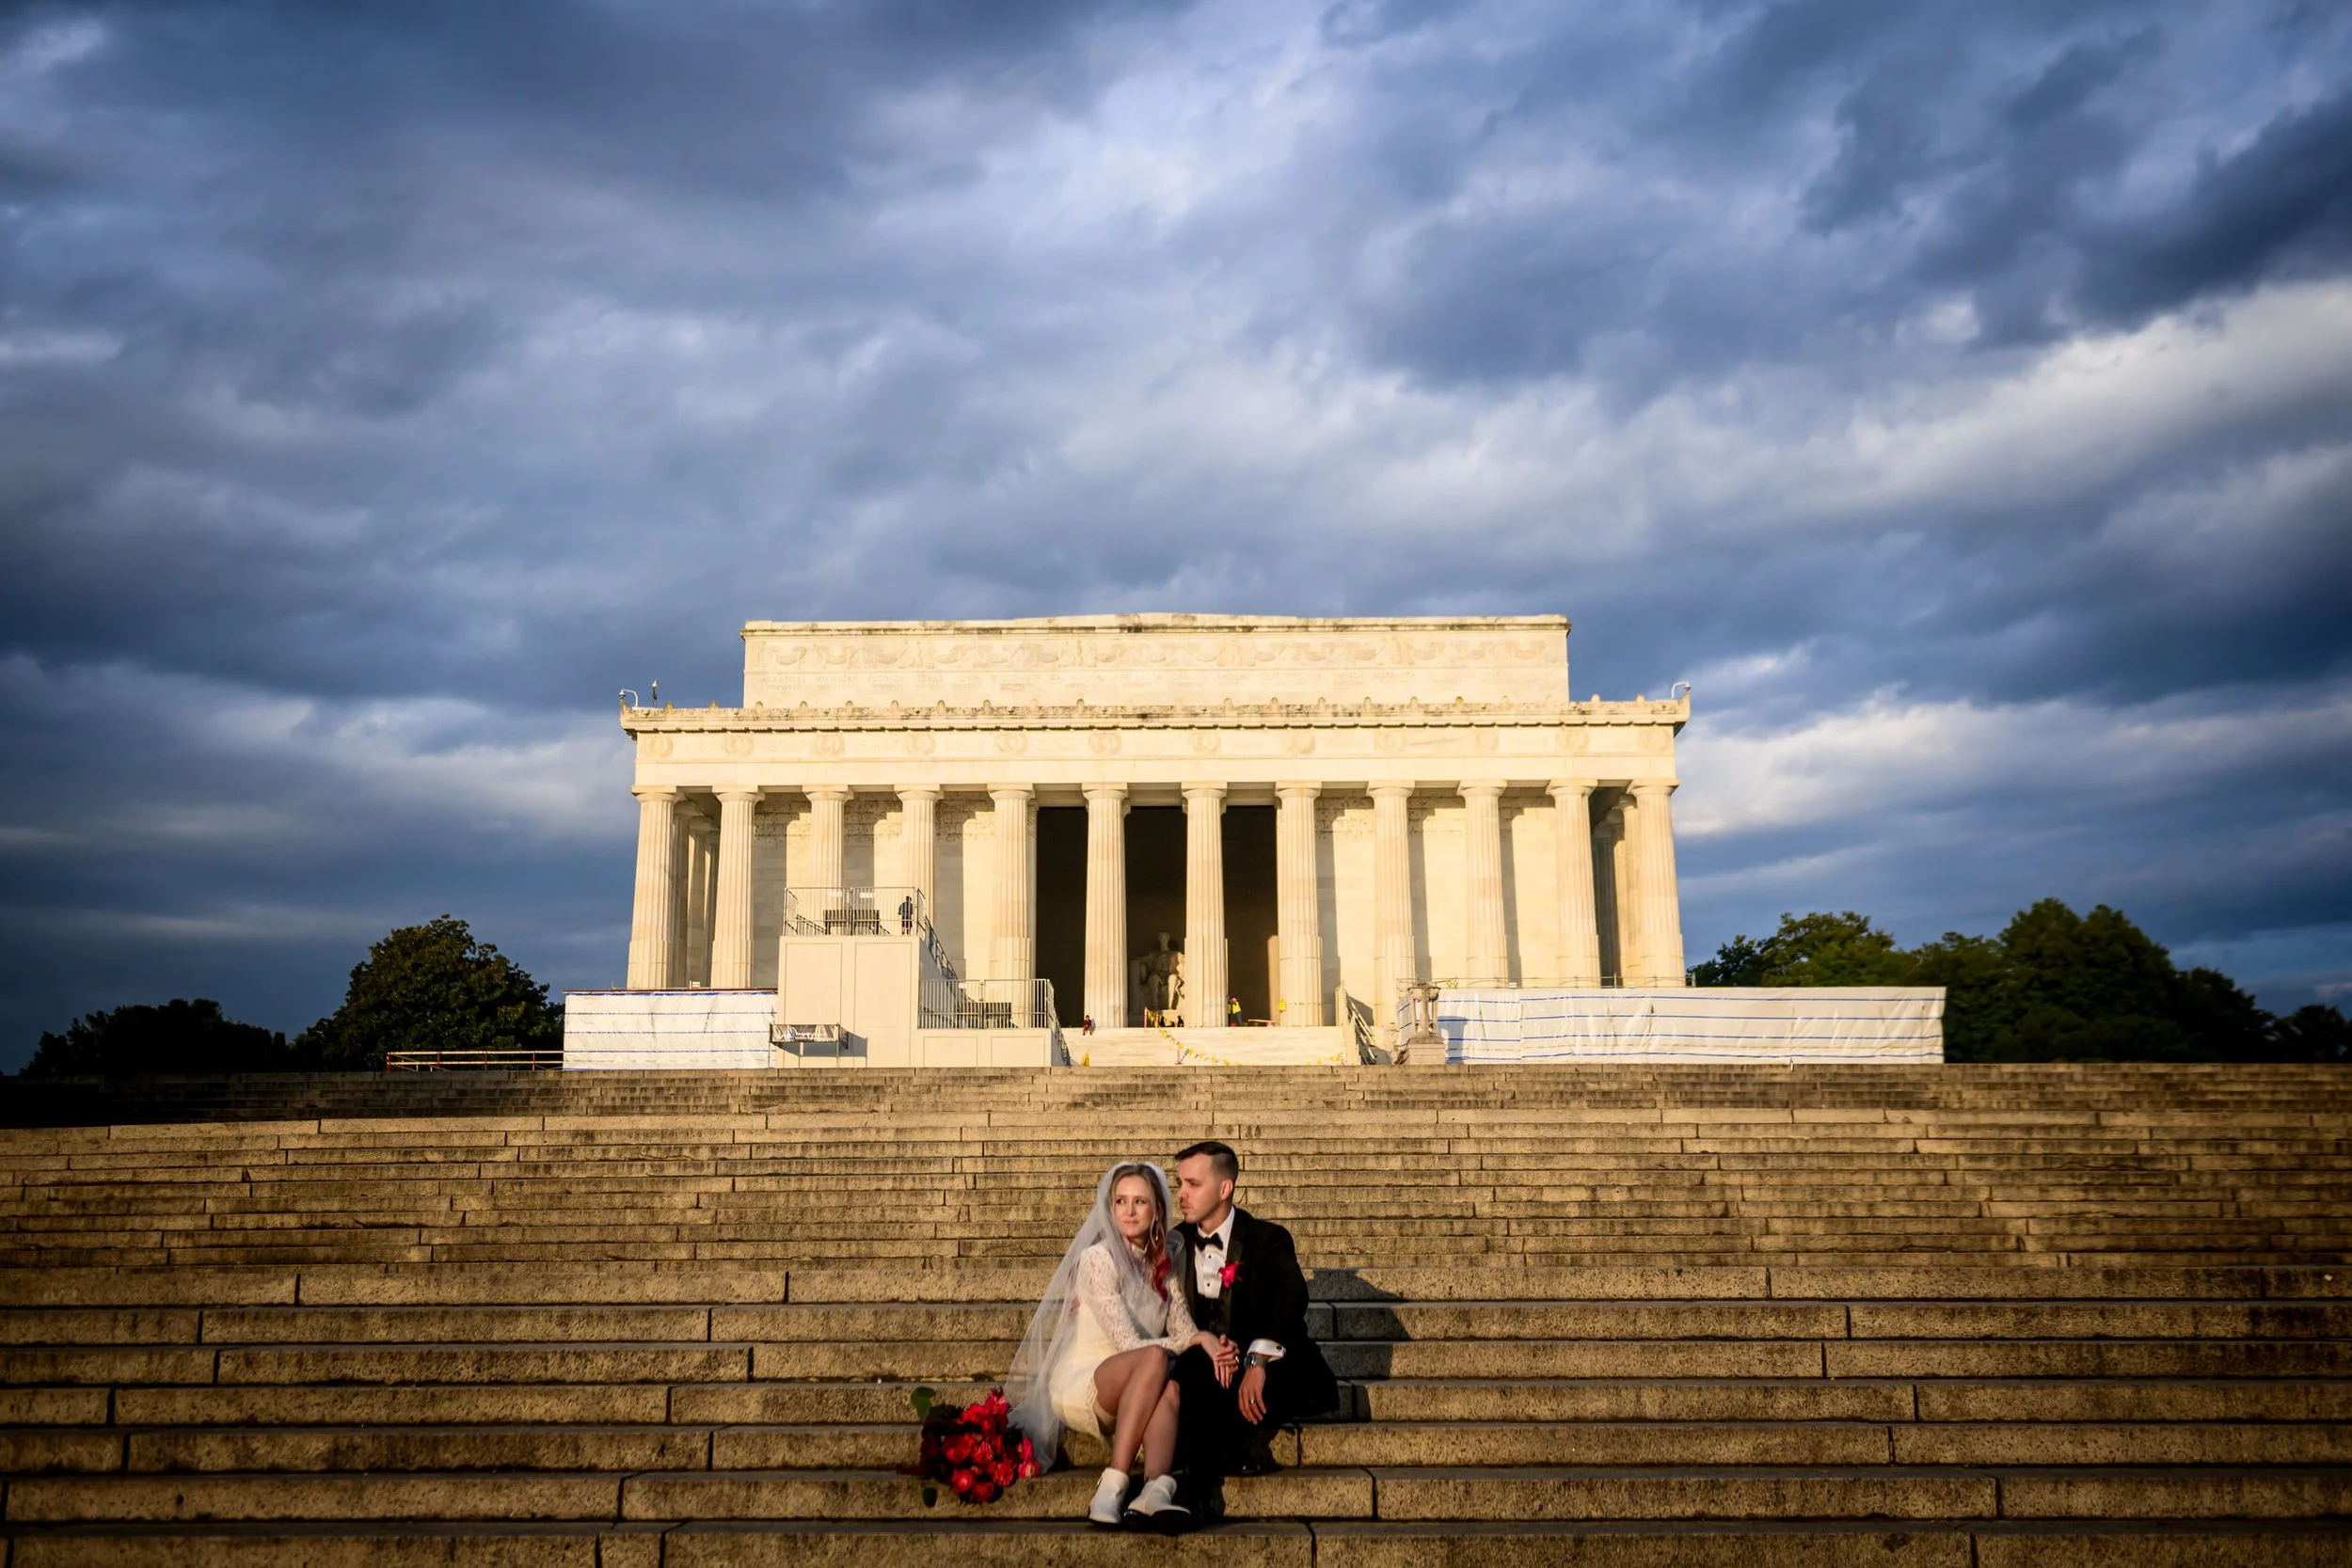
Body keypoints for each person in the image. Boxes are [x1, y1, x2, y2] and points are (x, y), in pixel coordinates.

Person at [1007, 1163, 1228, 1528]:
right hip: (1086, 1381)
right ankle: (1110, 1486)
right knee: (1155, 1359)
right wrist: (1196, 1339)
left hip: (1140, 1383)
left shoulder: (1162, 1264)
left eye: (1139, 1202)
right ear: (1110, 1209)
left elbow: (1185, 1329)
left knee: (1170, 1387)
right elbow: (1129, 1344)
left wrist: (1211, 1343)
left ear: (1156, 1209)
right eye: (1121, 1201)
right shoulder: (1098, 1259)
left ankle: (1155, 1491)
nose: (1128, 1211)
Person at [1159, 1140, 1339, 1532]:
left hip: (1269, 1368)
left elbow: (1290, 1300)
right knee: (1191, 1368)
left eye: (1192, 1184)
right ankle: (1205, 1481)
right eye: (1179, 1183)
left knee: (1241, 1377)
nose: (1181, 1194)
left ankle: (1205, 1478)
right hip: (1207, 1366)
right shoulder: (1173, 1243)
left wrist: (1257, 1362)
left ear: (1225, 1189)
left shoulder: (1268, 1238)